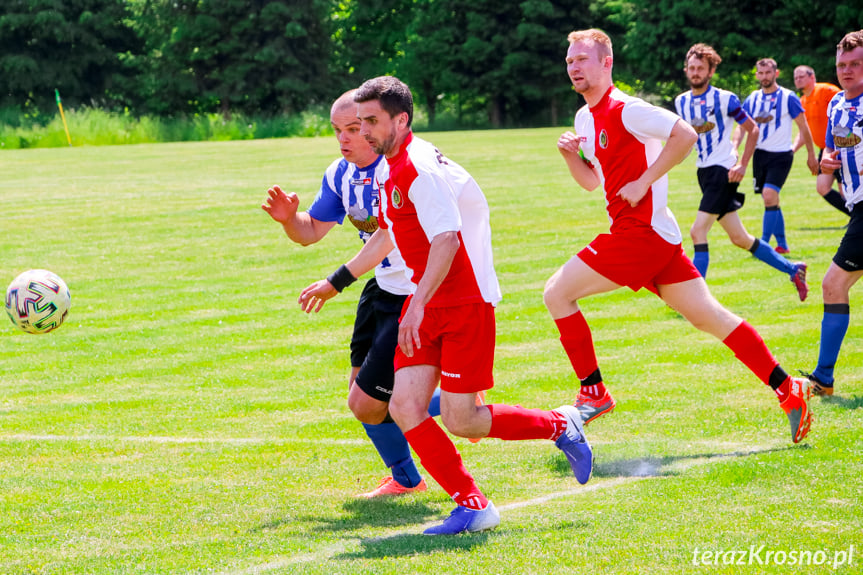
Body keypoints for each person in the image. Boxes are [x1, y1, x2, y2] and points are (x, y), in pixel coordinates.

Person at [304, 75, 593, 535]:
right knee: (404, 405)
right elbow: (391, 232)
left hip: (463, 301)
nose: (364, 132)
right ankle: (473, 504)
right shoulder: (387, 165)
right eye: (360, 123)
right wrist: (343, 281)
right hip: (428, 300)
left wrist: (416, 303)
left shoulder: (418, 166)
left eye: (372, 122)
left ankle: (559, 425)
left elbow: (446, 238)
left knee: (465, 420)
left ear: (401, 119)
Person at [548, 29, 812, 445]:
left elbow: (686, 135)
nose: (574, 67)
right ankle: (786, 387)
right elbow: (591, 182)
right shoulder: (585, 117)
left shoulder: (627, 109)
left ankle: (593, 391)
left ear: (606, 63)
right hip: (655, 238)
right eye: (569, 61)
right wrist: (570, 156)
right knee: (711, 317)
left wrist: (644, 181)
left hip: (641, 236)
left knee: (556, 293)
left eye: (582, 59)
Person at [262, 90, 440, 499]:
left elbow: (390, 237)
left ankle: (453, 403)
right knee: (360, 391)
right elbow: (310, 231)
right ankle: (406, 475)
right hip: (381, 286)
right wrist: (290, 219)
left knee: (367, 403)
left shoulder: (398, 168)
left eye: (354, 129)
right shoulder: (341, 173)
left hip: (414, 288)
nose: (343, 139)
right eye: (337, 130)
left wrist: (336, 281)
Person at [674, 43, 809, 300]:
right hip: (704, 172)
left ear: (711, 71)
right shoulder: (681, 101)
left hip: (722, 171)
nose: (695, 72)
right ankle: (793, 269)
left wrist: (742, 164)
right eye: (691, 68)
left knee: (697, 231)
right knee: (740, 238)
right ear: (686, 69)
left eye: (700, 68)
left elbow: (753, 129)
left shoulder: (725, 98)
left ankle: (695, 298)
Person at [803, 30, 863, 396]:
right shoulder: (838, 105)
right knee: (835, 285)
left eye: (856, 64)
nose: (847, 70)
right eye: (842, 64)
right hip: (857, 209)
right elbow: (827, 173)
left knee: (833, 284)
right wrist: (827, 163)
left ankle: (823, 378)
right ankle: (823, 377)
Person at [735, 58, 819, 253]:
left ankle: (763, 244)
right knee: (771, 200)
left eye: (768, 73)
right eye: (761, 73)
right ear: (756, 75)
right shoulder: (752, 99)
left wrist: (811, 155)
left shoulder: (788, 97)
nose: (764, 77)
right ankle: (782, 244)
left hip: (781, 155)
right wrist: (735, 146)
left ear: (776, 73)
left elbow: (803, 127)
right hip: (760, 156)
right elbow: (741, 127)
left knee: (769, 195)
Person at [793, 65, 847, 215]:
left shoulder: (827, 91)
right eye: (796, 78)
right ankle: (854, 218)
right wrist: (792, 150)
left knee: (846, 190)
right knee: (822, 187)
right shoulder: (802, 101)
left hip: (841, 147)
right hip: (825, 150)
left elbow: (848, 109)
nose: (798, 80)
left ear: (812, 77)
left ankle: (856, 221)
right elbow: (805, 132)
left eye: (801, 76)